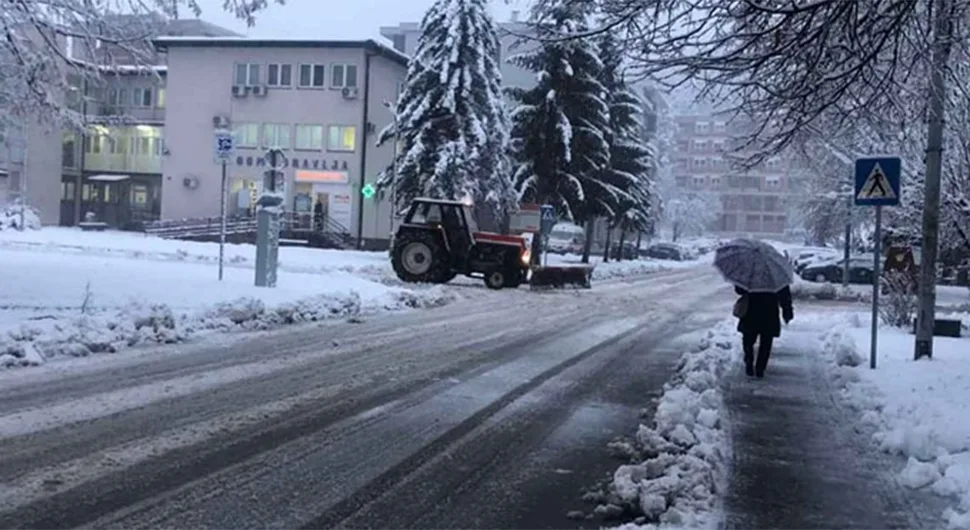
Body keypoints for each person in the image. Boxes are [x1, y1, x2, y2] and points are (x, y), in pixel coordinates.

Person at [734, 285, 794, 378]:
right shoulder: (776, 275)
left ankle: (749, 361)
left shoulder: (751, 273)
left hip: (751, 310)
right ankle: (760, 368)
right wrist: (787, 311)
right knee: (766, 342)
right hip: (769, 310)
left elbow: (739, 290)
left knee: (748, 339)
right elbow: (784, 295)